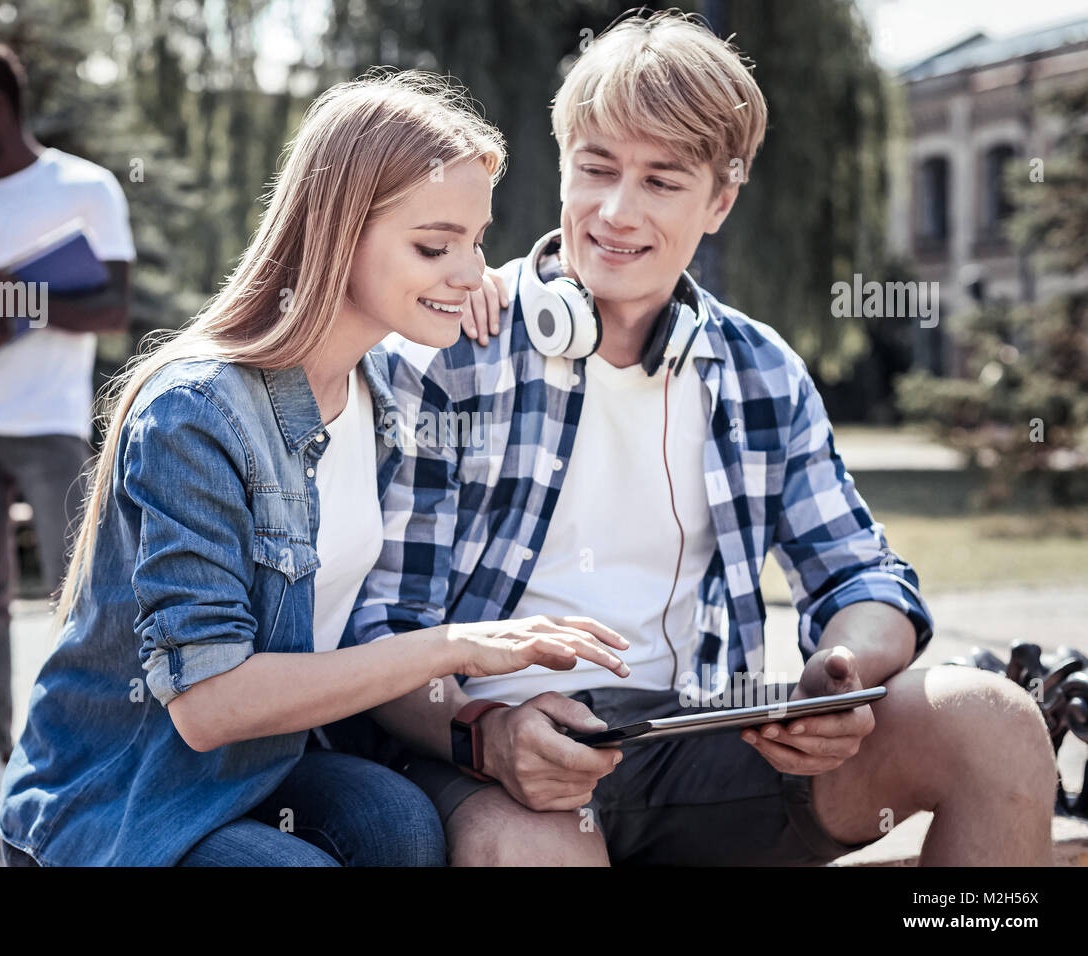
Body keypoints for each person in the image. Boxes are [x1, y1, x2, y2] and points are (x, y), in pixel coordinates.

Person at [340, 11, 1059, 865]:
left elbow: (862, 575)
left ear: (720, 199)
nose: (616, 212)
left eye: (662, 181)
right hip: (487, 758)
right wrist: (486, 734)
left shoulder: (759, 370)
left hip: (697, 744)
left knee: (994, 721)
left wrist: (839, 676)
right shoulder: (449, 348)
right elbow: (380, 630)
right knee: (533, 843)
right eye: (595, 168)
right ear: (561, 169)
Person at [0, 70, 628, 867]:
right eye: (434, 245)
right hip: (129, 791)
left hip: (265, 767)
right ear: (336, 233)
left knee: (401, 826)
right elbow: (209, 704)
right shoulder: (199, 412)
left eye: (476, 241)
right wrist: (453, 646)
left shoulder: (384, 394)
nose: (471, 273)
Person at [0, 44, 136, 816]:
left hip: (48, 425)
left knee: (77, 595)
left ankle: (75, 761)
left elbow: (112, 312)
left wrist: (24, 303)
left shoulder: (86, 188)